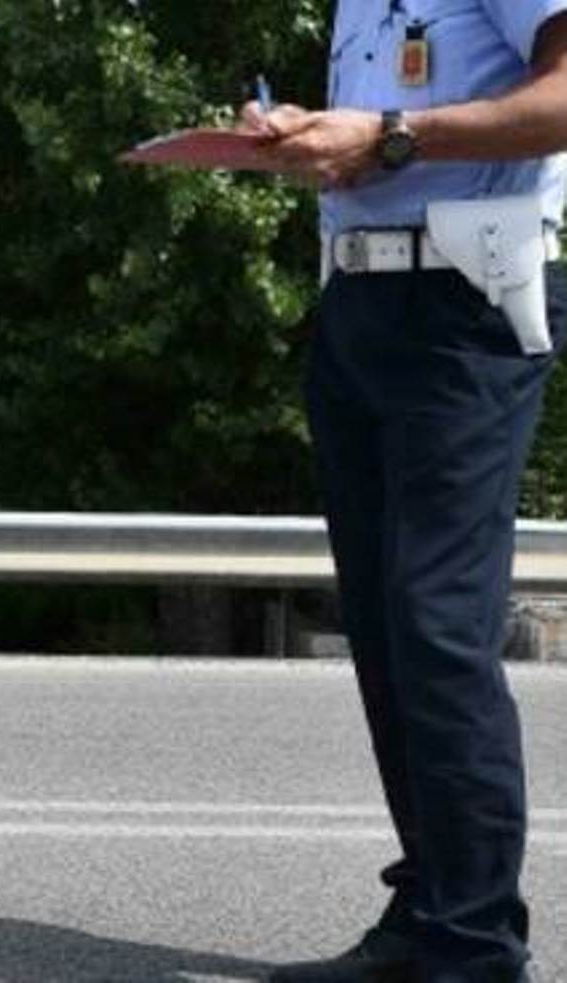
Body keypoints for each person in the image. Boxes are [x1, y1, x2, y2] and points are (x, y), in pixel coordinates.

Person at [238, 4, 567, 983]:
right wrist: (313, 136)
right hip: (363, 296)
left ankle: (471, 942)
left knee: (435, 618)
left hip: (464, 294)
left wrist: (386, 135)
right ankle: (433, 908)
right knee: (385, 619)